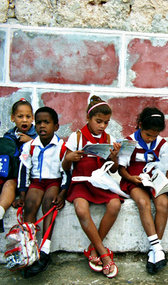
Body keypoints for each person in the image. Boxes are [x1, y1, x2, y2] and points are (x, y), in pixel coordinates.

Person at [63, 96, 121, 279]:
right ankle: (103, 252)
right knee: (81, 209)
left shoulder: (109, 138)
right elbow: (64, 167)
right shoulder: (77, 137)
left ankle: (93, 249)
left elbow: (113, 170)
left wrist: (114, 157)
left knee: (115, 205)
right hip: (80, 181)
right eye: (98, 121)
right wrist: (69, 159)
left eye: (106, 122)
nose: (102, 126)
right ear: (88, 119)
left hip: (100, 182)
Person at [118, 107, 168, 274]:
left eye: (155, 135)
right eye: (148, 134)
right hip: (134, 178)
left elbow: (166, 165)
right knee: (143, 202)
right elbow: (121, 169)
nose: (151, 138)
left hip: (154, 177)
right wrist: (131, 178)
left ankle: (153, 251)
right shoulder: (129, 142)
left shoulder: (162, 144)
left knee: (163, 203)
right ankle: (158, 249)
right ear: (140, 126)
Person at [18, 106, 69, 278]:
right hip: (36, 182)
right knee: (30, 204)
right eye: (38, 122)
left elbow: (67, 172)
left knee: (49, 203)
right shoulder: (30, 146)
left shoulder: (62, 147)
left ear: (56, 126)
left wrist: (62, 193)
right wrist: (22, 194)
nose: (42, 126)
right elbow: (24, 170)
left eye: (46, 122)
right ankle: (28, 250)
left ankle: (45, 250)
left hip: (54, 182)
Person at [0, 99, 37, 233]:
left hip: (29, 177)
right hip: (12, 174)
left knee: (11, 184)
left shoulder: (38, 134)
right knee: (7, 183)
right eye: (20, 117)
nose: (24, 120)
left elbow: (46, 148)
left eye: (28, 117)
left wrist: (31, 142)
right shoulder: (9, 136)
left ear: (32, 118)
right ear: (12, 118)